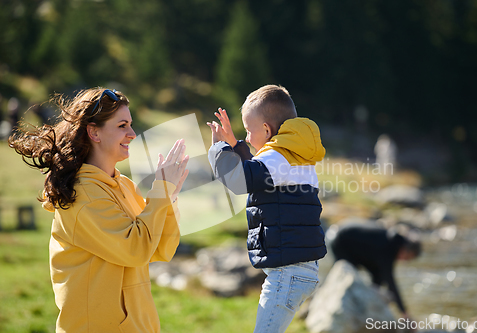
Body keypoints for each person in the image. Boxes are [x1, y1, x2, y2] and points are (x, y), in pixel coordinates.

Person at [8, 88, 189, 333]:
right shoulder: (84, 194)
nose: (132, 134)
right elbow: (135, 249)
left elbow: (159, 248)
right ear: (94, 132)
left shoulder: (122, 184)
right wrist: (160, 190)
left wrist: (169, 196)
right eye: (122, 125)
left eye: (131, 125)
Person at [207, 85, 327, 333]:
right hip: (296, 269)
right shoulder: (292, 154)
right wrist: (234, 144)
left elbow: (240, 180)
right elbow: (259, 171)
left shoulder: (279, 157)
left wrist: (217, 149)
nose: (247, 138)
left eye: (249, 131)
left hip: (288, 273)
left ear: (266, 129)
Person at [329, 223, 421, 319]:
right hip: (340, 240)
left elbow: (380, 277)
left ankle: (369, 308)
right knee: (346, 277)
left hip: (347, 239)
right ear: (405, 250)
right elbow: (390, 282)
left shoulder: (391, 242)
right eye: (407, 258)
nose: (404, 261)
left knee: (377, 275)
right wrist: (404, 312)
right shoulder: (388, 248)